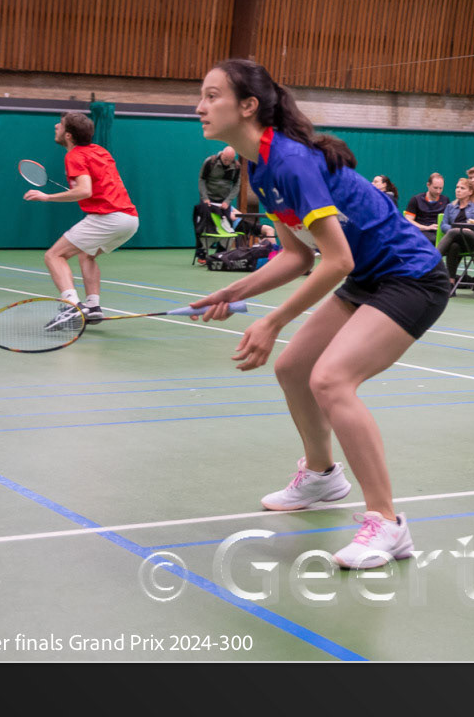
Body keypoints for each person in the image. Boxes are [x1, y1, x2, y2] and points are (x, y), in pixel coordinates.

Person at [189, 58, 448, 569]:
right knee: (293, 368)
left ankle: (387, 523)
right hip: (369, 277)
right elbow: (297, 255)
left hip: (410, 277)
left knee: (331, 380)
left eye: (212, 96)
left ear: (248, 106)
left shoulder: (290, 162)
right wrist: (232, 290)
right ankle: (322, 475)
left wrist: (272, 321)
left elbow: (337, 260)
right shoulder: (262, 167)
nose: (200, 107)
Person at [22, 112, 140, 326]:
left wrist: (47, 197)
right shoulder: (100, 151)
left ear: (68, 135)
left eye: (60, 124)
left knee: (54, 256)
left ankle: (71, 306)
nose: (56, 126)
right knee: (87, 255)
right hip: (130, 219)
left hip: (108, 217)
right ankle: (93, 306)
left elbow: (85, 190)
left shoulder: (74, 156)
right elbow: (98, 184)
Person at [437, 177, 474, 280]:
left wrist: (473, 225)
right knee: (454, 246)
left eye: (462, 188)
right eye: (457, 187)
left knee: (453, 232)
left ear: (470, 192)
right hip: (458, 239)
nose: (458, 190)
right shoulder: (450, 206)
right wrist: (459, 230)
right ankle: (451, 282)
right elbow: (444, 225)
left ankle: (432, 260)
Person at [404, 173, 450, 243]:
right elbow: (408, 220)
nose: (438, 191)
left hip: (439, 232)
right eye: (435, 188)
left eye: (441, 188)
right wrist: (426, 228)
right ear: (428, 185)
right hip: (421, 232)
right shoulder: (416, 199)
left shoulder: (445, 200)